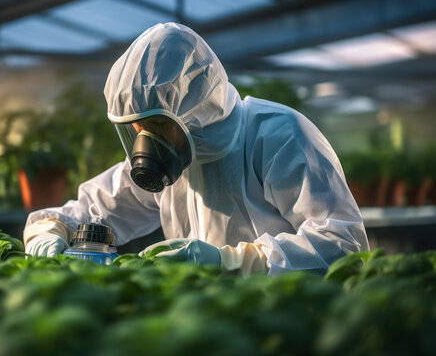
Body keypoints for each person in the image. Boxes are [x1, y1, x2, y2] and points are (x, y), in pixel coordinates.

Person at [23, 22, 369, 276]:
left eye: (154, 124)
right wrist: (54, 229)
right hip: (203, 325)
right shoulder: (176, 161)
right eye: (136, 127)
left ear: (194, 110)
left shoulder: (277, 136)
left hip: (287, 323)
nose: (144, 139)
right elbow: (94, 208)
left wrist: (233, 262)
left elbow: (343, 244)